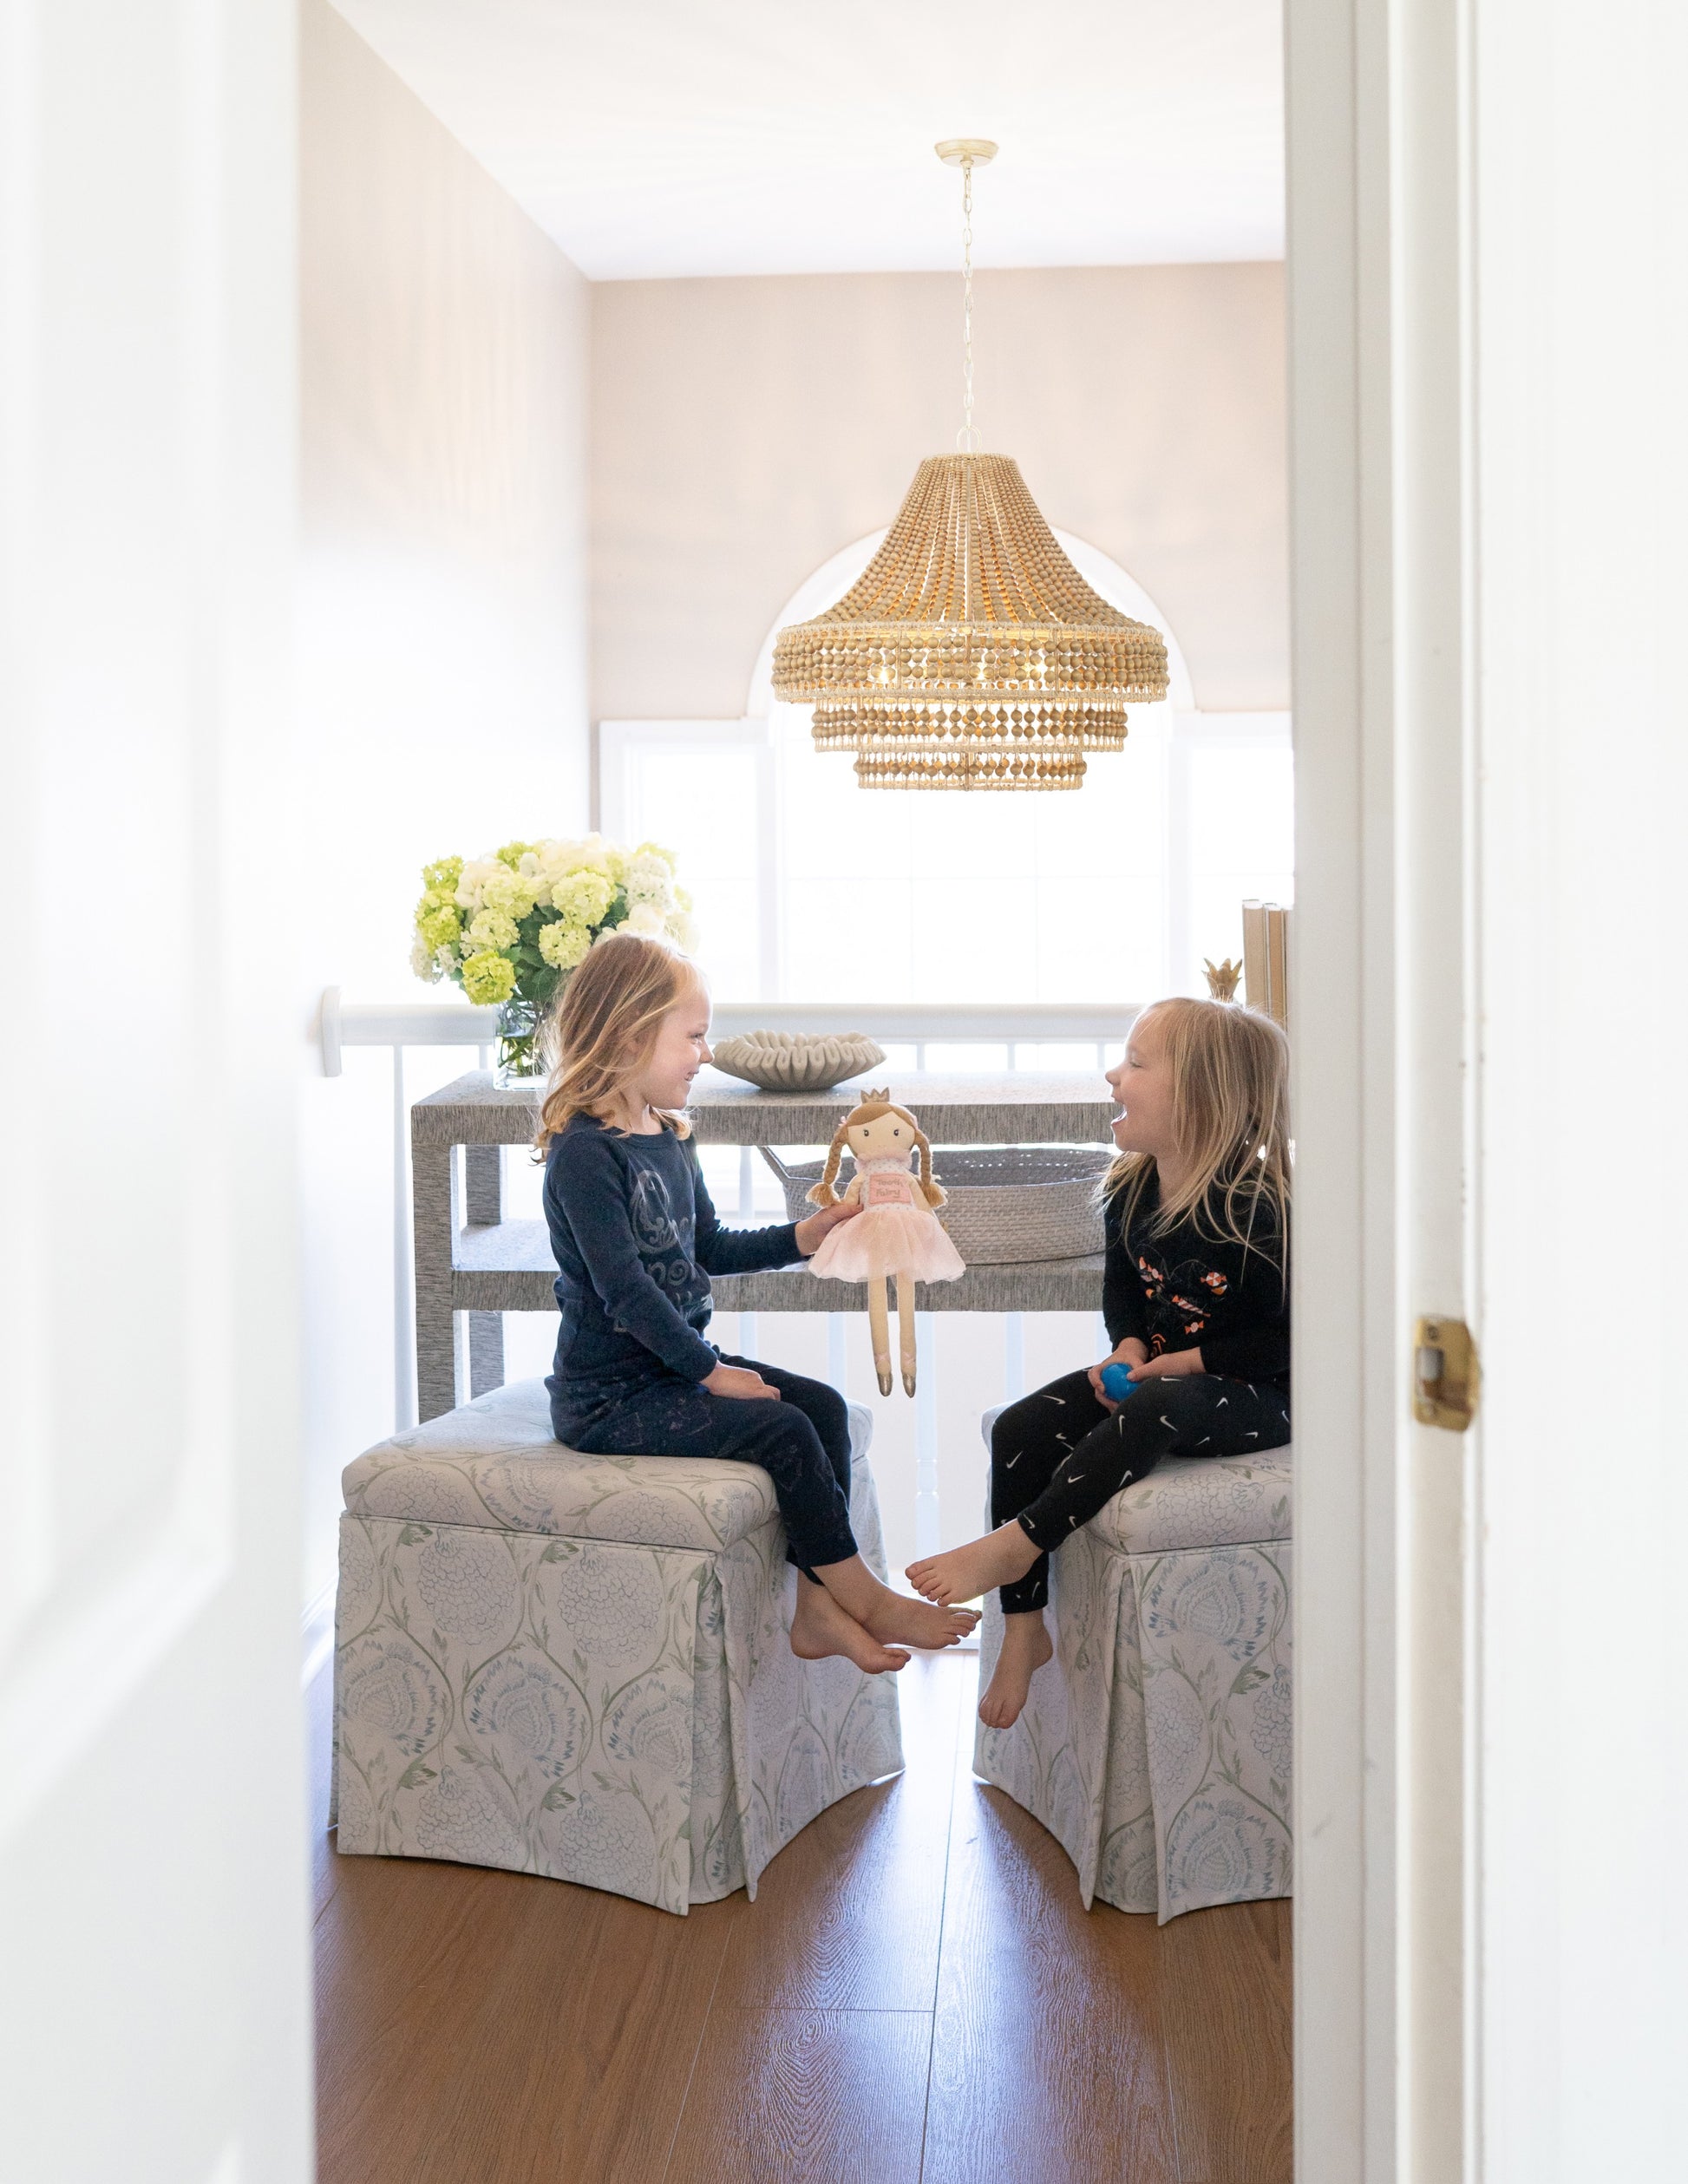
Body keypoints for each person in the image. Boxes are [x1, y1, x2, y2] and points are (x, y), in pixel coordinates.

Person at [539, 931, 979, 1675]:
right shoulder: (586, 1154)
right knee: (782, 1429)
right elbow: (626, 1292)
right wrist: (712, 1373)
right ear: (629, 1034)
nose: (706, 1054)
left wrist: (808, 1234)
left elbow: (708, 1248)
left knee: (824, 1409)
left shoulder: (669, 1136)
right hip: (609, 1395)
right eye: (693, 1036)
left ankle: (817, 1606)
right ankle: (867, 1599)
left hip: (671, 1371)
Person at [906, 996, 1291, 1727]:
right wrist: (1130, 1347)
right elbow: (1123, 1294)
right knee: (1020, 1427)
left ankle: (1018, 1545)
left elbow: (1285, 1337)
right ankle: (1025, 1628)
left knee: (1158, 1406)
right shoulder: (1131, 1187)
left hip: (1258, 1395)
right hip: (1155, 1377)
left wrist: (1182, 1365)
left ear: (1201, 1097)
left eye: (1136, 1063)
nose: (1114, 1075)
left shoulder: (1259, 1209)